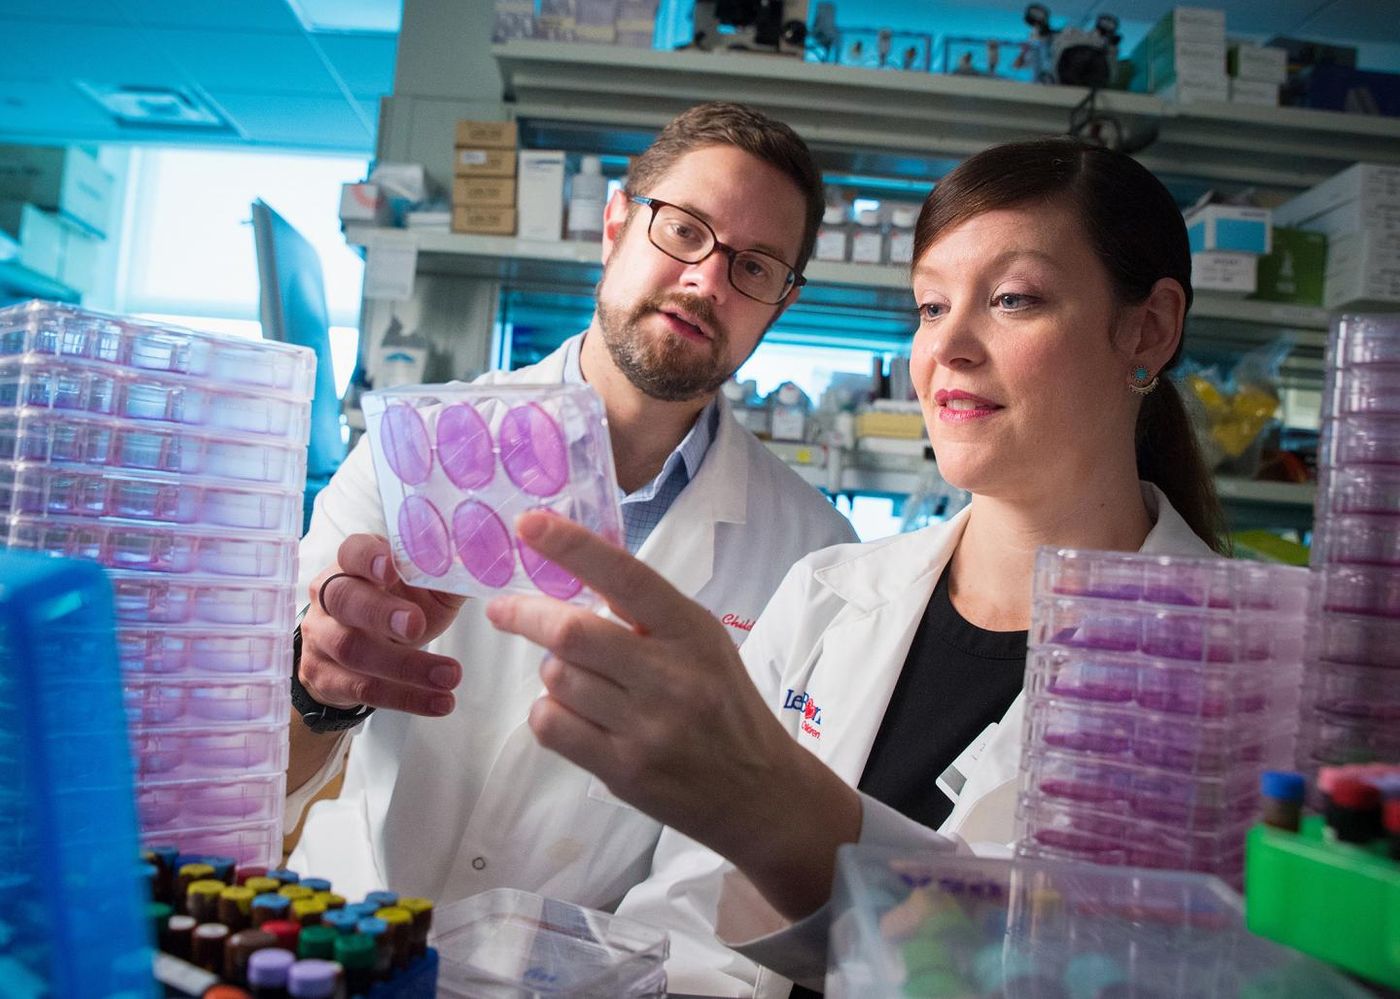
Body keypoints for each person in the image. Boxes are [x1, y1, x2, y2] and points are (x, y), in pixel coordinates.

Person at [485, 137, 1229, 997]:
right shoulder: (824, 594)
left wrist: (783, 814)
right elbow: (685, 923)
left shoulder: (1236, 672)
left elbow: (1107, 970)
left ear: (1150, 327)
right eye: (929, 306)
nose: (947, 347)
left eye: (1013, 298)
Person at [286, 101, 858, 907]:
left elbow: (725, 883)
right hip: (355, 941)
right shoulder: (413, 447)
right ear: (617, 225)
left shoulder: (815, 551)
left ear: (781, 302)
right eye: (685, 230)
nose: (706, 280)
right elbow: (262, 769)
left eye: (755, 266)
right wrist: (318, 689)